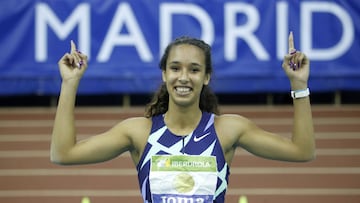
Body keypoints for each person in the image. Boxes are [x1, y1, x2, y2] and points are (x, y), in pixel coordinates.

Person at [51, 33, 315, 203]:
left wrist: (299, 85)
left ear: (206, 77)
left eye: (195, 69)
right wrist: (70, 83)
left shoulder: (228, 129)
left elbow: (302, 151)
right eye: (175, 68)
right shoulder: (139, 132)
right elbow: (63, 154)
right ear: (164, 74)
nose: (184, 77)